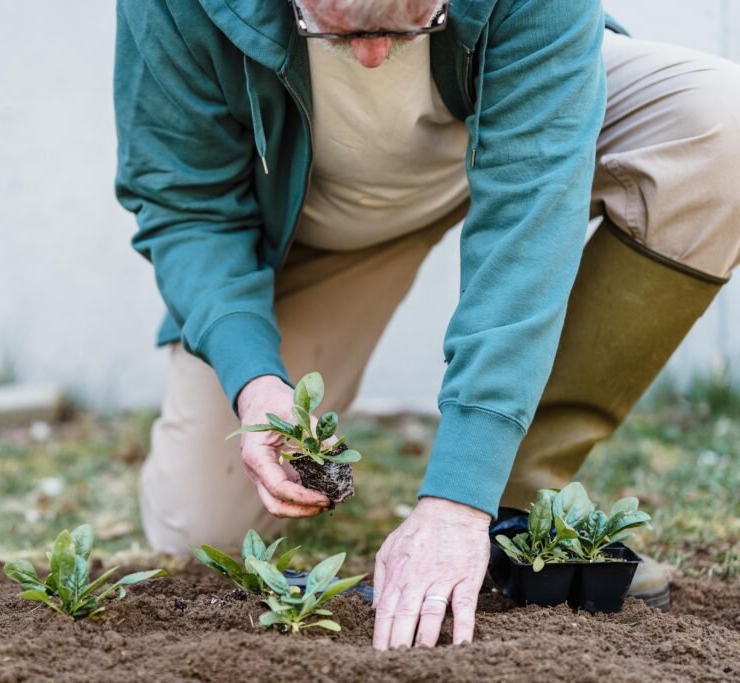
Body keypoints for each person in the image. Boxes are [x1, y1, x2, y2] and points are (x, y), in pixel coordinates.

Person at [113, 0, 740, 650]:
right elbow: (184, 204)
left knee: (720, 125)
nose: (375, 56)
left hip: (522, 121)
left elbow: (527, 218)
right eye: (337, 30)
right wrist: (255, 381)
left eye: (407, 25)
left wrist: (459, 496)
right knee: (198, 531)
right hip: (321, 211)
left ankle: (509, 499)